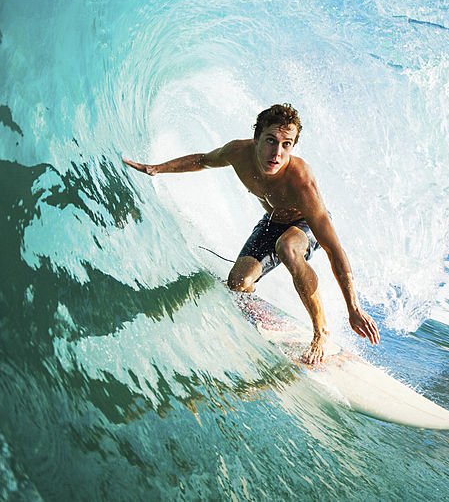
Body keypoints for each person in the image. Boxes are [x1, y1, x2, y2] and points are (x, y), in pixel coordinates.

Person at [123, 103, 379, 364]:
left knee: (287, 247)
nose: (277, 153)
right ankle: (256, 309)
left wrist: (353, 308)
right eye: (271, 141)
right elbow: (203, 161)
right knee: (237, 282)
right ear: (256, 137)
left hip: (303, 227)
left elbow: (334, 248)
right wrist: (156, 169)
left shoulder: (302, 182)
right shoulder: (238, 152)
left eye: (286, 145)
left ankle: (321, 332)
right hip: (271, 222)